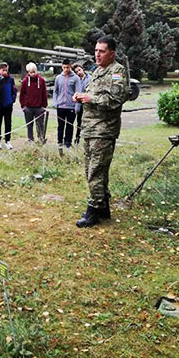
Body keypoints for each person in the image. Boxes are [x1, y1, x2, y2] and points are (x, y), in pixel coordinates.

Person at [73, 36, 128, 228]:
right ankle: (103, 206)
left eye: (102, 51)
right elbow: (93, 94)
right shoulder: (98, 71)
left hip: (104, 130)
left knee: (95, 171)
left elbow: (116, 99)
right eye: (96, 50)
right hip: (89, 129)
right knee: (93, 169)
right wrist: (80, 97)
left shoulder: (117, 71)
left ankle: (93, 209)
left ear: (111, 53)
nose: (97, 54)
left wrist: (90, 98)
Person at [53, 58, 82, 152]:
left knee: (69, 126)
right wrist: (55, 102)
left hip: (71, 106)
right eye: (64, 67)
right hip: (60, 106)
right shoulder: (58, 78)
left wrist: (77, 106)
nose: (66, 69)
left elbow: (78, 93)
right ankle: (59, 142)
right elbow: (55, 91)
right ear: (62, 67)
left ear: (70, 67)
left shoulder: (76, 78)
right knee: (60, 125)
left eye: (67, 67)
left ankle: (68, 143)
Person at [19, 62, 48, 143]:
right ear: (28, 72)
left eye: (34, 72)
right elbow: (22, 95)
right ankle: (30, 139)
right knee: (29, 125)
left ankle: (41, 139)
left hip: (39, 108)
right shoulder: (25, 81)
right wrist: (23, 106)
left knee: (40, 125)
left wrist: (44, 106)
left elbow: (44, 93)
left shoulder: (41, 80)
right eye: (31, 72)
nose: (33, 74)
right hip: (28, 108)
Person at [0, 62, 17, 150]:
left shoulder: (10, 79)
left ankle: (7, 140)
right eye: (3, 70)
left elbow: (14, 90)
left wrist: (12, 99)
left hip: (8, 105)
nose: (5, 72)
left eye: (6, 70)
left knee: (8, 123)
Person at [73, 63, 91, 146]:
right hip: (79, 105)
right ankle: (77, 138)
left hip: (88, 104)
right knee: (79, 123)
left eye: (79, 70)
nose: (78, 73)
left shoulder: (90, 78)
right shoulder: (76, 80)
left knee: (89, 123)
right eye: (76, 72)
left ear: (82, 69)